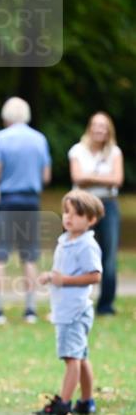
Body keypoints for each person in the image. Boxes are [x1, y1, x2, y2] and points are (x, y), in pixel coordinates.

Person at [36, 190, 104, 415]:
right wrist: (50, 276)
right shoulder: (65, 241)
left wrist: (63, 280)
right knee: (80, 356)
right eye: (66, 212)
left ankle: (64, 404)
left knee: (71, 358)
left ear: (91, 220)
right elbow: (62, 272)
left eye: (76, 214)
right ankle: (86, 402)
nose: (68, 217)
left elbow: (95, 276)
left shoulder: (87, 245)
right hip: (65, 309)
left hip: (75, 311)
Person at [0, 96, 52, 324]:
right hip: (31, 202)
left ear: (6, 117)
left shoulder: (0, 138)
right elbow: (46, 176)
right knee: (30, 256)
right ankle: (30, 309)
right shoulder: (39, 139)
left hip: (8, 201)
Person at [68, 111, 123, 315]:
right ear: (89, 128)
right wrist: (102, 177)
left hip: (109, 205)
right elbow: (77, 178)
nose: (99, 129)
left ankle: (106, 305)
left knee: (108, 256)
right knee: (79, 254)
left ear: (108, 130)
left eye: (103, 126)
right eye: (96, 125)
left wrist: (89, 176)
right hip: (82, 205)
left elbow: (117, 180)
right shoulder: (77, 150)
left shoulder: (114, 152)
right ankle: (77, 303)